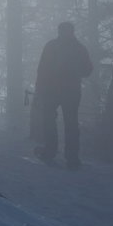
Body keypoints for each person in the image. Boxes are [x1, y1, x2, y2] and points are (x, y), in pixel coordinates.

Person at [33, 22, 93, 169]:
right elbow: (88, 70)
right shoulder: (79, 48)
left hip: (51, 90)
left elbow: (41, 70)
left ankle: (50, 151)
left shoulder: (51, 46)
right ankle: (72, 158)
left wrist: (39, 89)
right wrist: (75, 71)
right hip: (71, 91)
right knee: (71, 123)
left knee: (49, 120)